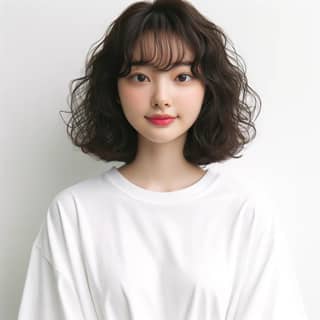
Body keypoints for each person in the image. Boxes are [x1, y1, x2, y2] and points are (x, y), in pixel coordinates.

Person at [17, 0, 309, 319]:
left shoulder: (244, 211)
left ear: (207, 88)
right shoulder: (75, 213)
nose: (161, 98)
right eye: (140, 77)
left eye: (182, 77)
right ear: (114, 89)